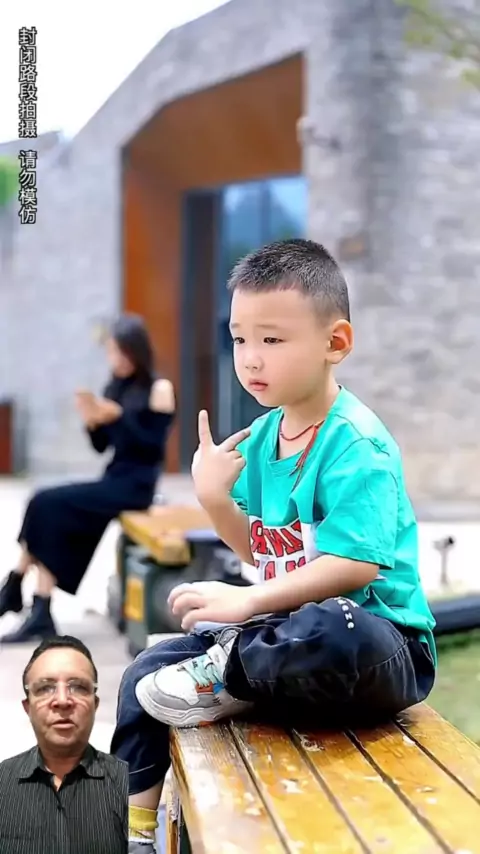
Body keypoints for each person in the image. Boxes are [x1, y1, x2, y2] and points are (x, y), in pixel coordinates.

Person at [110, 238, 436, 853]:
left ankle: (231, 669)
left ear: (335, 343)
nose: (250, 358)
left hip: (377, 651)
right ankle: (133, 831)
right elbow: (265, 552)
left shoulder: (356, 444)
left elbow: (355, 566)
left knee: (336, 624)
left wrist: (246, 602)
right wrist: (214, 499)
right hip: (283, 640)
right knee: (144, 673)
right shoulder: (262, 439)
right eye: (239, 339)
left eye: (272, 339)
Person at [0, 313, 175, 644]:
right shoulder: (114, 387)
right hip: (113, 477)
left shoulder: (158, 388)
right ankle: (37, 605)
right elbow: (102, 446)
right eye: (111, 352)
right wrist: (93, 422)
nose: (115, 360)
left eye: (120, 352)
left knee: (48, 503)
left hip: (137, 486)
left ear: (136, 351)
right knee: (43, 504)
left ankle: (16, 591)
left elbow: (152, 446)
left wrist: (118, 416)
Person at [0, 635, 128, 854]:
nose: (62, 700)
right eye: (45, 688)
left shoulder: (127, 785)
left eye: (78, 687)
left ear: (95, 704)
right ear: (28, 707)